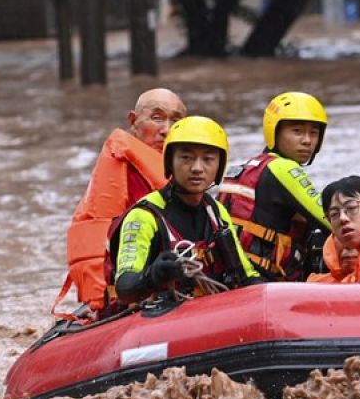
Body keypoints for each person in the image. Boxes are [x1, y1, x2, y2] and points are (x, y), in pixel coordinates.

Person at [60, 88, 187, 313]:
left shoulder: (189, 173)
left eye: (176, 121)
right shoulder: (123, 172)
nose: (166, 130)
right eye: (156, 118)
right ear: (133, 121)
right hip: (128, 292)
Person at [111, 116, 261, 304]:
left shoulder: (217, 212)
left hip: (211, 313)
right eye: (186, 158)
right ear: (170, 162)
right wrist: (153, 275)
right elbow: (125, 288)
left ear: (219, 166)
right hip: (159, 318)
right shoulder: (144, 216)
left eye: (208, 159)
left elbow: (246, 275)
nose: (197, 168)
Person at [215, 91, 331, 281]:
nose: (307, 141)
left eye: (314, 133)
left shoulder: (250, 167)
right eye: (297, 131)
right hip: (264, 283)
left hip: (230, 277)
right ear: (274, 132)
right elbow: (329, 219)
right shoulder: (283, 168)